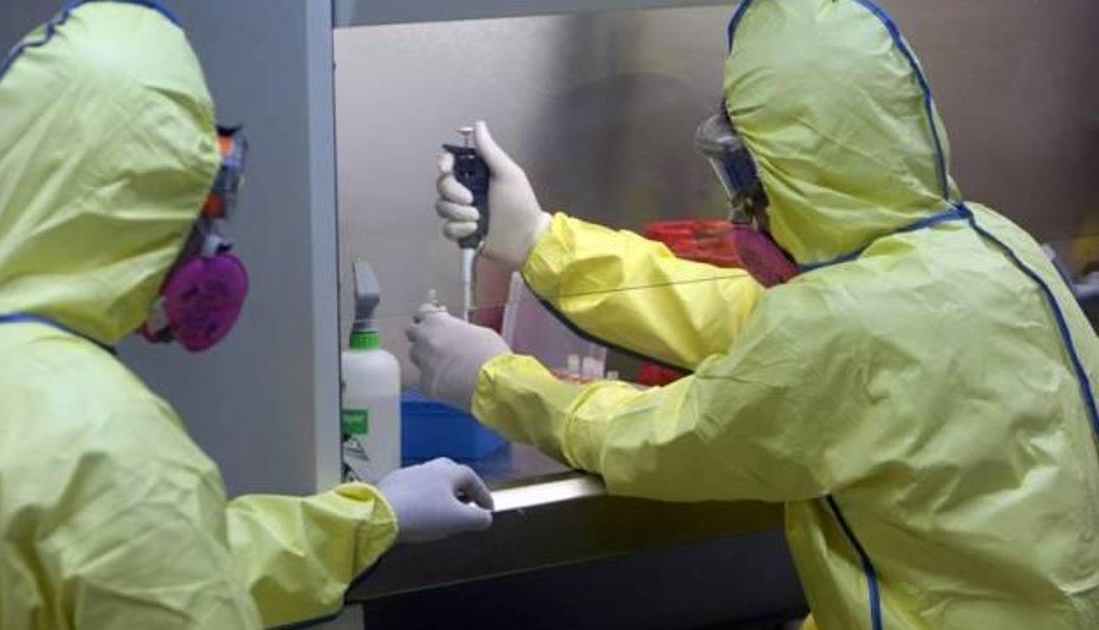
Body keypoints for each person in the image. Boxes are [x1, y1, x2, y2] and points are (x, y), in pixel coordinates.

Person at [409, 1, 1099, 628]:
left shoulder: (841, 325)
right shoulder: (989, 245)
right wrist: (542, 241)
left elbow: (666, 439)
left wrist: (497, 382)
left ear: (799, 168)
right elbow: (742, 314)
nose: (739, 201)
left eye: (743, 170)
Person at [0, 2, 491, 628]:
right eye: (198, 204)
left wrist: (367, 518)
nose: (210, 242)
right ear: (138, 205)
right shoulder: (108, 442)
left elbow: (161, 559)